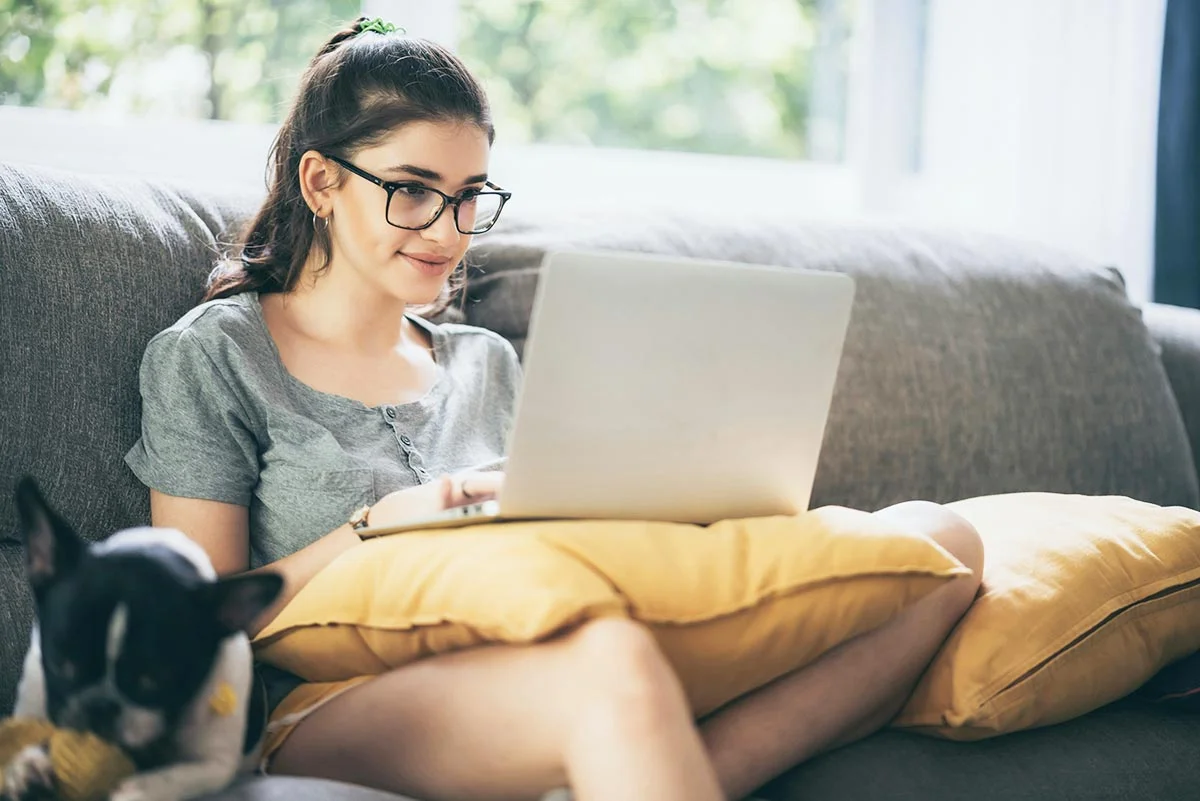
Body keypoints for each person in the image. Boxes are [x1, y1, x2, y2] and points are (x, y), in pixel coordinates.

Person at [124, 16, 985, 801]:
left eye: (469, 196)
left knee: (940, 545)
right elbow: (200, 623)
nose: (449, 229)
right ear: (320, 181)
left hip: (556, 651)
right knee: (609, 666)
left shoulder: (486, 364)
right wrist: (378, 523)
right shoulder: (214, 358)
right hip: (331, 705)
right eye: (414, 189)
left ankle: (674, 771)